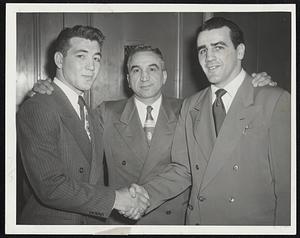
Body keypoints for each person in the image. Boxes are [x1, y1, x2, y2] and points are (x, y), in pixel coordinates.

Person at [32, 43, 274, 225]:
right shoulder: (106, 112)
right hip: (122, 221)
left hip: (174, 222)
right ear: (128, 79)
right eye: (136, 70)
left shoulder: (190, 109)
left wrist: (255, 85)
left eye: (152, 69)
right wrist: (51, 90)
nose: (144, 77)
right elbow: (71, 125)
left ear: (165, 75)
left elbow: (228, 127)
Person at [135, 17, 291, 225]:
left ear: (240, 51)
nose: (209, 57)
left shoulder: (273, 100)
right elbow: (183, 169)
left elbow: (288, 188)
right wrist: (142, 196)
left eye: (218, 47)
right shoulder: (191, 105)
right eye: (202, 50)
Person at [16, 25, 149, 225]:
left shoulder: (87, 109)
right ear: (59, 60)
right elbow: (50, 187)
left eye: (96, 58)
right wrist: (116, 199)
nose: (91, 66)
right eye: (81, 56)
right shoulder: (39, 106)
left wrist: (130, 194)